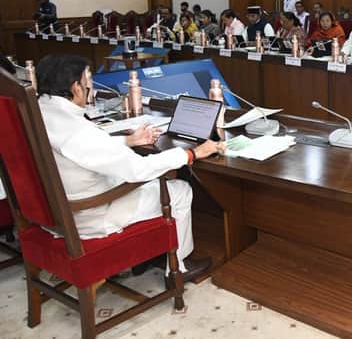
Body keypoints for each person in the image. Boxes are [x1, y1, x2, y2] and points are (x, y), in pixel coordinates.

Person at [35, 54, 222, 281]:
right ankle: (178, 269)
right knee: (180, 190)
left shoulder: (38, 110)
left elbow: (85, 151)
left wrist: (129, 141)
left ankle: (151, 253)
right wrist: (192, 153)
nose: (89, 89)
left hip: (52, 211)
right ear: (75, 88)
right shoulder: (76, 129)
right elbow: (138, 170)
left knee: (152, 182)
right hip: (91, 215)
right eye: (88, 83)